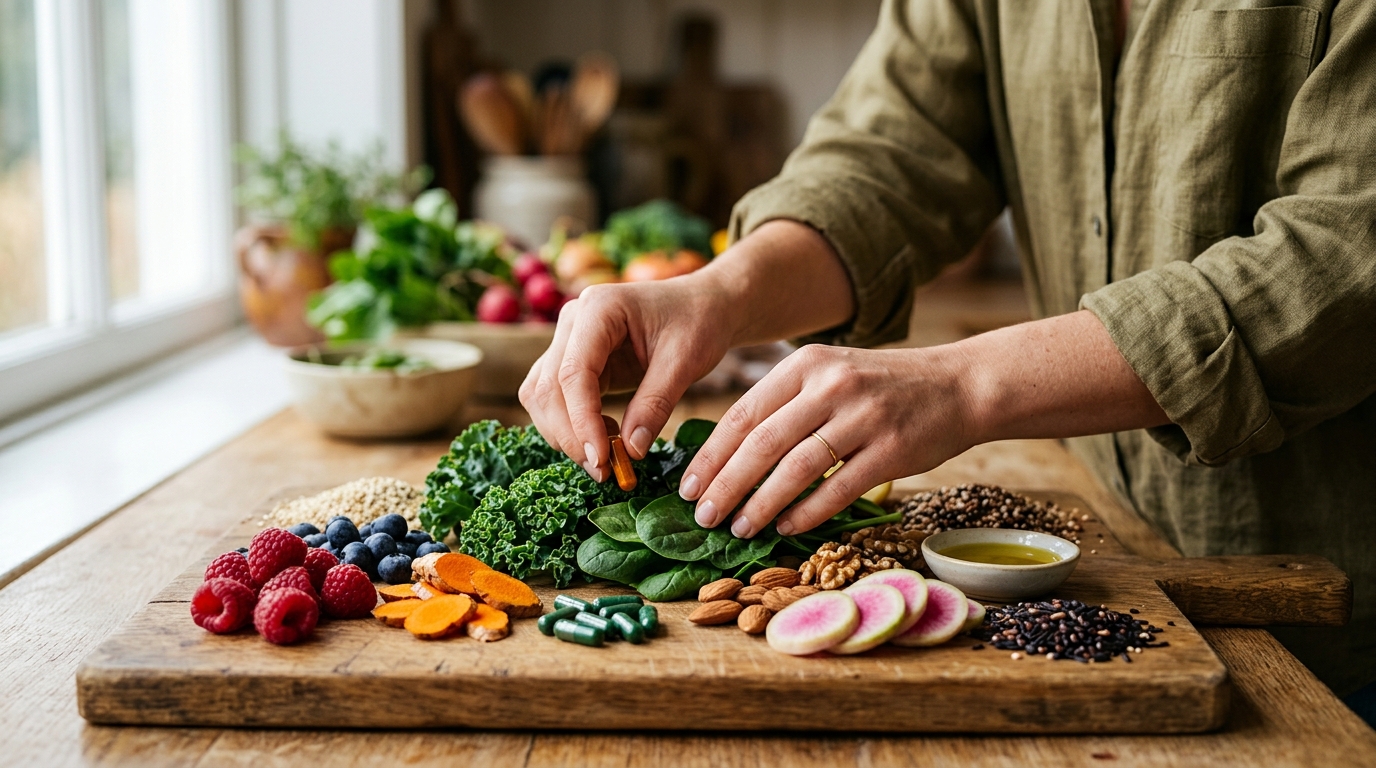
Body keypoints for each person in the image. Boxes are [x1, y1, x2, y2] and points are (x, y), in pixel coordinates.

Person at [520, 0, 1376, 710]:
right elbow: (891, 156)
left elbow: (1344, 253)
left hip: (1339, 615)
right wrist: (720, 292)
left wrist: (963, 383)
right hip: (1110, 557)